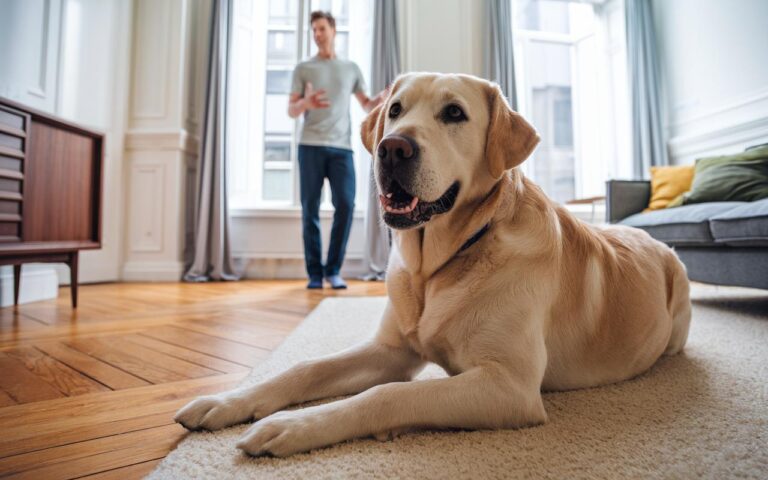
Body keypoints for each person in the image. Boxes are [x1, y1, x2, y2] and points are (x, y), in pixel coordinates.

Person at [288, 11, 387, 289]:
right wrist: (305, 104)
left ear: (333, 30)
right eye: (314, 30)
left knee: (345, 204)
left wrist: (382, 98)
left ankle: (333, 269)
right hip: (310, 146)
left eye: (321, 29)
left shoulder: (350, 68)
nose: (317, 34)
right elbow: (291, 110)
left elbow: (367, 105)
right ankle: (315, 275)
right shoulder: (304, 69)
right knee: (310, 209)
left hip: (342, 148)